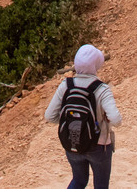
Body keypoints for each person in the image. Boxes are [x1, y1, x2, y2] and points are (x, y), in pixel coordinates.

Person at [44, 44, 121, 189]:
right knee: (101, 186)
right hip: (99, 146)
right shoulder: (102, 89)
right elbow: (116, 119)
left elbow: (49, 116)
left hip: (72, 142)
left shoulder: (66, 85)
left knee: (79, 181)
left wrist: (73, 123)